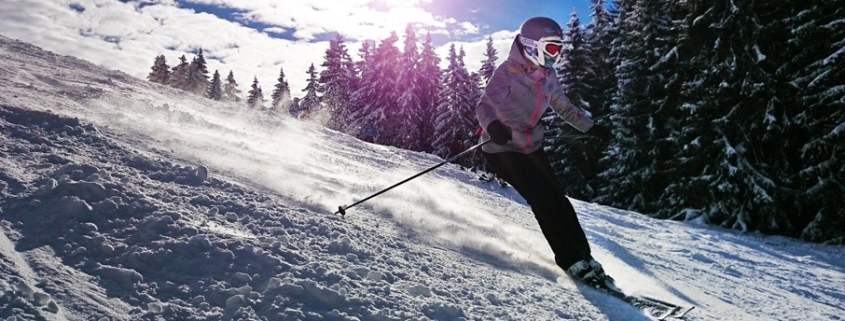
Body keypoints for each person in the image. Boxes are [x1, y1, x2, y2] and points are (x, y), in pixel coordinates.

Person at [475, 17, 615, 288]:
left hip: (530, 145)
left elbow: (563, 107)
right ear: (530, 45)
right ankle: (570, 260)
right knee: (543, 199)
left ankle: (585, 257)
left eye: (558, 49)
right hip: (502, 148)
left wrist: (591, 127)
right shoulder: (507, 71)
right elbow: (484, 106)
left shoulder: (548, 75)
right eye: (551, 48)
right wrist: (493, 126)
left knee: (559, 199)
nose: (556, 55)